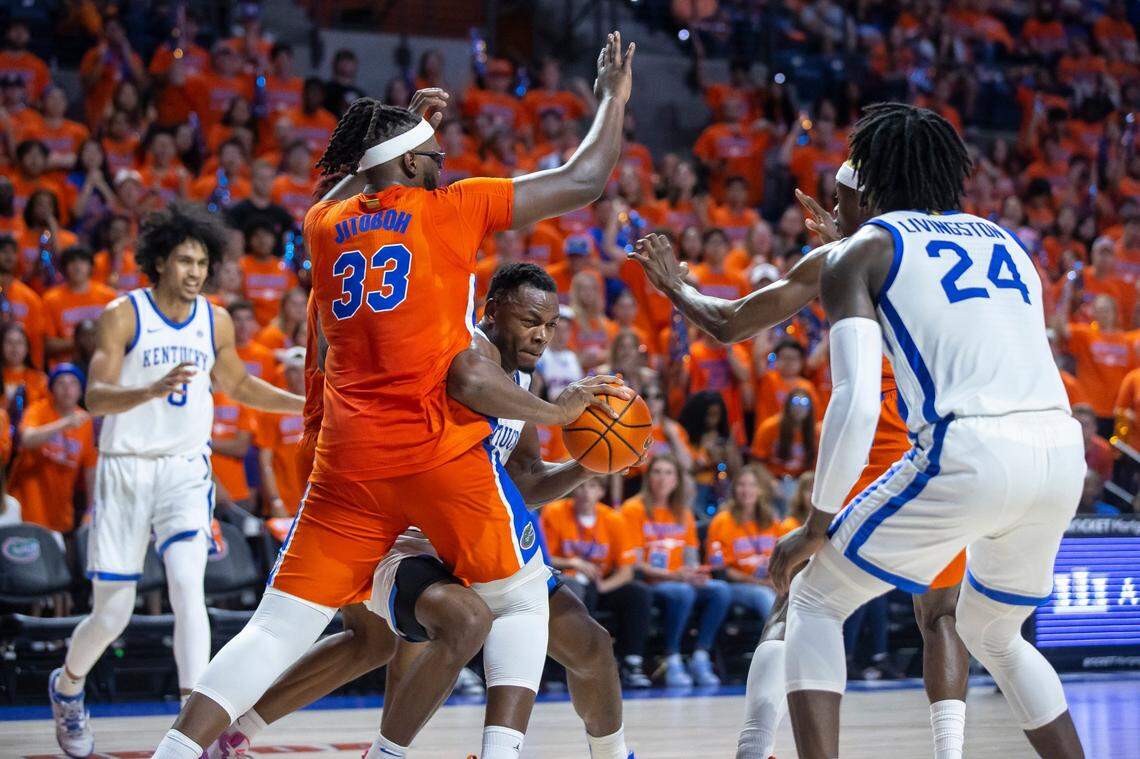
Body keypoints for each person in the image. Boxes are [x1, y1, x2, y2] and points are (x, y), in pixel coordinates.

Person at [157, 36, 635, 759]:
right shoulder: (449, 210)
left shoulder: (322, 227)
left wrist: (402, 129)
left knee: (273, 629)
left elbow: (344, 189)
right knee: (520, 592)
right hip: (435, 448)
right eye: (432, 157)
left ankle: (176, 750)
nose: (444, 166)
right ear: (411, 165)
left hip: (347, 463)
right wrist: (614, 96)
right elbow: (587, 176)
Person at [210, 264, 636, 759]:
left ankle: (614, 754)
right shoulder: (463, 355)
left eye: (550, 326)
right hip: (398, 530)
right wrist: (560, 413)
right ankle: (254, 732)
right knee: (401, 638)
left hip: (480, 535)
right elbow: (470, 386)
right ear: (492, 310)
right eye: (529, 321)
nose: (540, 336)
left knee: (592, 647)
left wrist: (589, 465)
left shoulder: (523, 377)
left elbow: (522, 483)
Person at [764, 103, 1084, 758]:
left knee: (814, 596)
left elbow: (854, 403)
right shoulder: (1006, 241)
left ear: (871, 180)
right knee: (995, 634)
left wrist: (817, 523)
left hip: (972, 448)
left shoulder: (867, 248)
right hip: (1059, 449)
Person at [628, 151, 973, 758]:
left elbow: (731, 322)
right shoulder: (953, 247)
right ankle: (951, 752)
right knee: (941, 616)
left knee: (796, 600)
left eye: (840, 200)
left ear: (864, 205)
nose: (830, 212)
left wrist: (674, 284)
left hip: (874, 457)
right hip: (946, 456)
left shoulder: (844, 259)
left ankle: (754, 746)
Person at [49, 203, 305, 758]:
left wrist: (304, 404)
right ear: (160, 262)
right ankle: (68, 686)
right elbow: (95, 398)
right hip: (126, 467)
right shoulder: (122, 314)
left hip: (187, 467)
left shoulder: (213, 320)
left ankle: (197, 730)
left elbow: (237, 383)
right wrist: (148, 389)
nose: (194, 271)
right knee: (112, 612)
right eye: (185, 260)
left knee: (190, 587)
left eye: (202, 262)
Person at [622, 454, 732, 688]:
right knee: (683, 593)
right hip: (651, 581)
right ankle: (671, 657)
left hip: (680, 580)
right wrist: (674, 576)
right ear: (648, 477)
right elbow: (634, 562)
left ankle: (701, 655)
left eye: (668, 473)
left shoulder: (683, 513)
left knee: (720, 590)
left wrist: (694, 573)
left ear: (676, 480)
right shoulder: (633, 509)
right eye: (657, 472)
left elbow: (691, 557)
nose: (662, 478)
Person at [543, 477, 654, 689]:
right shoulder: (554, 512)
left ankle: (632, 662)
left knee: (638, 593)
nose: (586, 492)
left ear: (601, 492)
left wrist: (605, 586)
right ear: (572, 489)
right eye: (581, 485)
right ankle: (579, 663)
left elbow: (626, 571)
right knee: (582, 590)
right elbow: (544, 556)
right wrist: (572, 561)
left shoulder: (613, 519)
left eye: (592, 486)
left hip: (602, 584)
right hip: (566, 583)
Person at [8, 364, 95, 535]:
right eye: (61, 383)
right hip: (26, 512)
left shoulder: (85, 422)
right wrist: (64, 423)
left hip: (60, 516)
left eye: (73, 384)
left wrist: (90, 511)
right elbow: (27, 439)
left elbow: (90, 469)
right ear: (52, 389)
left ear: (81, 390)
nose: (67, 389)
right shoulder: (38, 410)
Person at [706, 465, 787, 623]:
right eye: (741, 485)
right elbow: (723, 570)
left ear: (760, 490)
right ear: (734, 490)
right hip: (736, 585)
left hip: (770, 581)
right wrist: (761, 582)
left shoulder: (772, 521)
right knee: (763, 595)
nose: (746, 490)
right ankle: (776, 644)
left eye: (752, 485)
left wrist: (777, 581)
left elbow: (784, 558)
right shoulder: (722, 521)